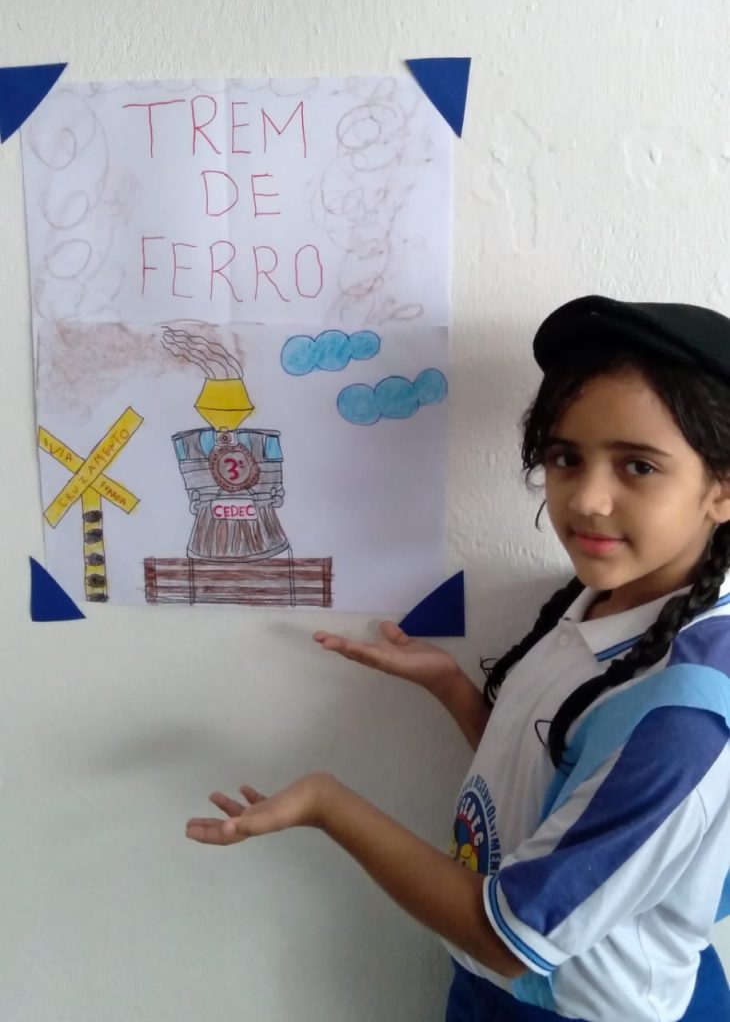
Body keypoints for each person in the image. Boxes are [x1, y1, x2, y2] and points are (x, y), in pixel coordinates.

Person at [186, 295, 730, 1021]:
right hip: (494, 983)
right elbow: (554, 778)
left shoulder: (685, 712)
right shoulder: (599, 599)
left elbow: (510, 939)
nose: (588, 501)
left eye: (637, 466)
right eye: (566, 458)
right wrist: (450, 686)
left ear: (722, 488)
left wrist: (327, 804)